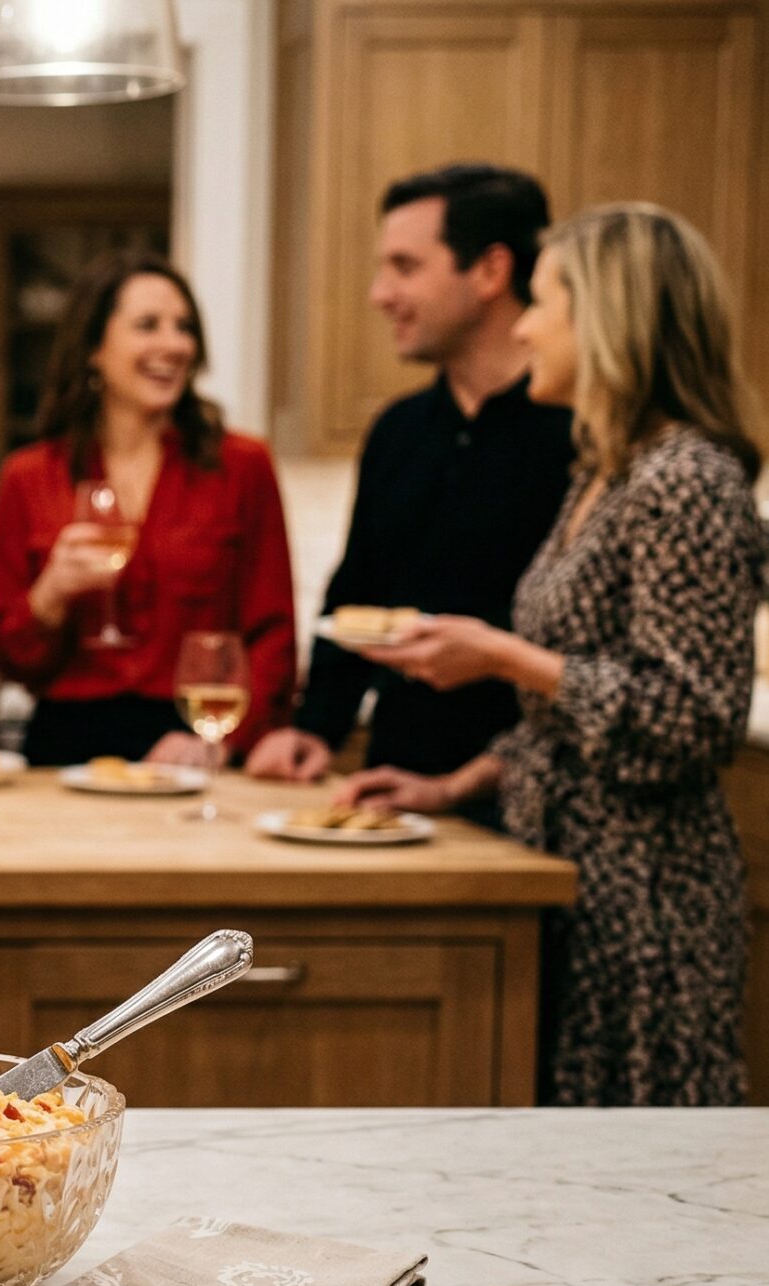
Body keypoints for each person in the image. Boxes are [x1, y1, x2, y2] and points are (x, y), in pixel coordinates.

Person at [342, 204, 767, 1107]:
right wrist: (452, 787)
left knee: (634, 1157)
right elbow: (568, 716)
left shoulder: (686, 480)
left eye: (543, 303)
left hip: (647, 898)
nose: (526, 327)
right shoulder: (601, 474)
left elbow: (695, 717)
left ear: (609, 320)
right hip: (569, 867)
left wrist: (503, 656)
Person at [247, 165, 574, 812]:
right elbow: (358, 591)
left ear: (490, 271)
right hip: (395, 784)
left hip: (531, 793)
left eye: (405, 266)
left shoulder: (581, 434)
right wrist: (316, 729)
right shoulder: (398, 430)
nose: (379, 294)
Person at [0, 254, 296, 766]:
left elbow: (273, 635)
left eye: (184, 328)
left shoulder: (243, 466)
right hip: (65, 748)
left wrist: (222, 741)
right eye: (148, 325)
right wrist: (50, 595)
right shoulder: (29, 476)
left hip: (191, 739)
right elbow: (13, 660)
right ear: (93, 349)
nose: (174, 345)